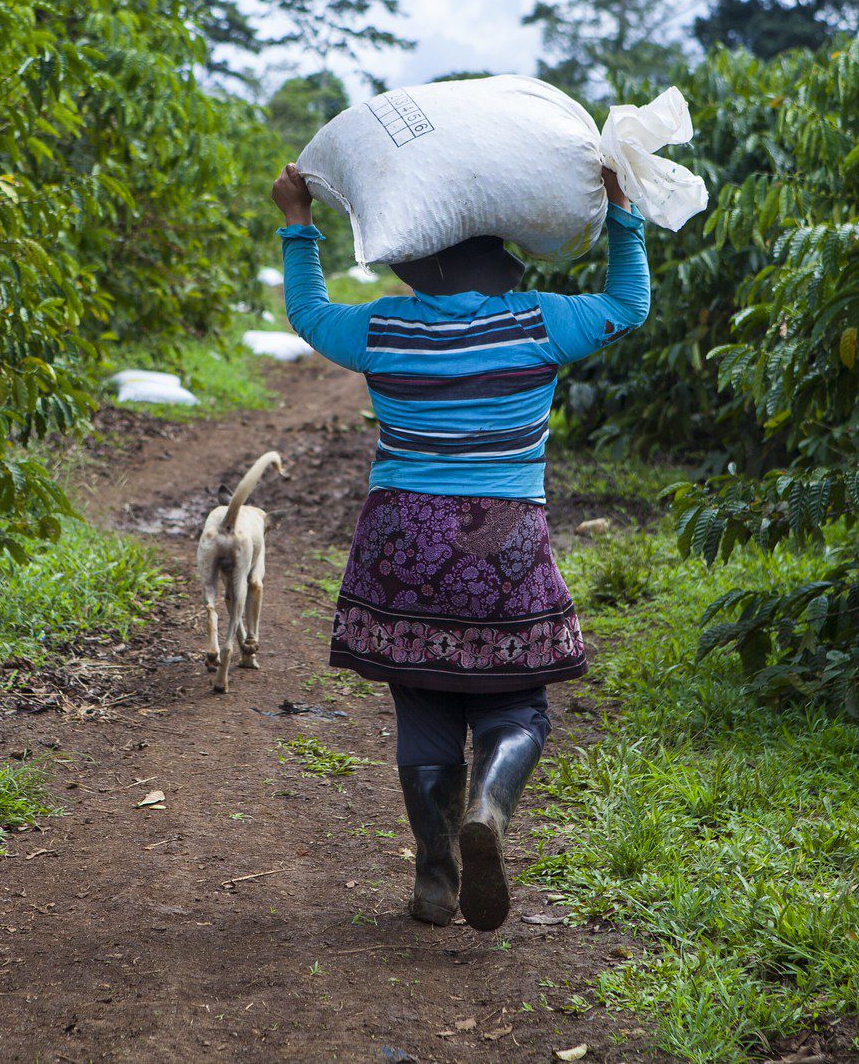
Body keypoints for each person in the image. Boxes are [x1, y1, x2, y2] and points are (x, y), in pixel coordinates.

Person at [270, 161, 651, 931]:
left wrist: (296, 217)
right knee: (518, 702)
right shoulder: (540, 321)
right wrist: (620, 209)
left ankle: (436, 877)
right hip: (502, 539)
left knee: (424, 700)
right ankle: (489, 805)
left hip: (402, 539)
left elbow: (308, 313)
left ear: (419, 267)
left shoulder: (383, 326)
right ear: (502, 263)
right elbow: (628, 304)